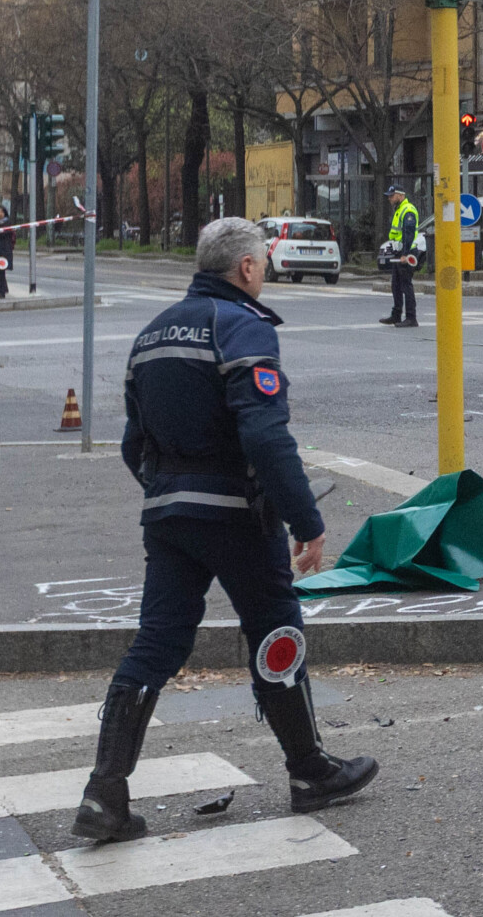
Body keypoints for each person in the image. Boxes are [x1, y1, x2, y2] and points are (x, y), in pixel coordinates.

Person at [73, 217, 376, 842]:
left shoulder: (151, 335)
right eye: (262, 261)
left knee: (155, 645)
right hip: (237, 515)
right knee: (275, 628)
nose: (264, 270)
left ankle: (105, 793)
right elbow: (265, 434)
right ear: (244, 268)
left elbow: (134, 446)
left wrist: (170, 492)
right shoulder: (241, 326)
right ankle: (308, 770)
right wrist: (306, 521)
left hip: (169, 516)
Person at [379, 185, 421, 327]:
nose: (389, 198)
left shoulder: (407, 210)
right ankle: (396, 315)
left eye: (392, 195)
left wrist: (405, 254)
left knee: (405, 285)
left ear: (400, 195)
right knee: (396, 285)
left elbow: (408, 234)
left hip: (407, 253)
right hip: (400, 252)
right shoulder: (399, 210)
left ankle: (411, 317)